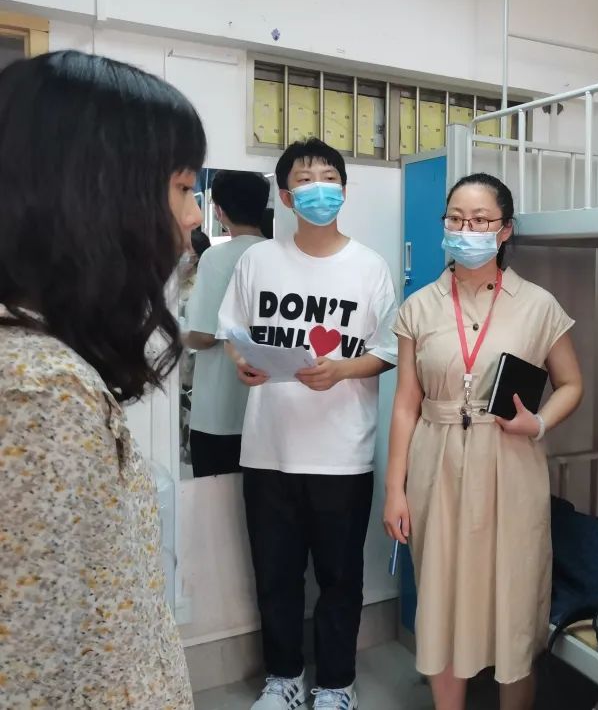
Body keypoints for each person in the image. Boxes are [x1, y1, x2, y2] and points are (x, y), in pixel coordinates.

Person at [0, 51, 205, 708]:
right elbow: (26, 673)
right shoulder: (39, 395)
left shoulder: (42, 365)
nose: (194, 216)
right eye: (182, 188)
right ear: (98, 196)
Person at [384, 172, 584, 710]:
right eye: (455, 219)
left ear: (505, 230)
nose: (465, 230)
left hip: (511, 461)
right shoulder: (418, 307)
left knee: (514, 596)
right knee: (442, 597)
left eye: (479, 220)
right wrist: (395, 489)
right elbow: (405, 403)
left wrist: (538, 423)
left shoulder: (538, 305)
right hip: (437, 462)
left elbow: (571, 385)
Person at [217, 138, 398, 710]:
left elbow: (388, 351)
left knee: (340, 579)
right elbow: (232, 333)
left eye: (329, 177)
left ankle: (337, 685)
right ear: (285, 195)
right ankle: (284, 679)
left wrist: (343, 369)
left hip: (342, 453)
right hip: (268, 448)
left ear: (344, 189)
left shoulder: (370, 267)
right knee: (275, 575)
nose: (319, 188)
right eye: (305, 178)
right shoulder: (257, 261)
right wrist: (242, 363)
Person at [183, 170, 271, 477]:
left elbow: (205, 336)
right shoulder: (277, 254)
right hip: (265, 408)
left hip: (218, 411)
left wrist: (172, 335)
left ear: (219, 211)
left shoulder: (215, 257)